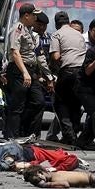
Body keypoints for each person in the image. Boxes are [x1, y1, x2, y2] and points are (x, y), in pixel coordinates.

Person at [4, 3, 54, 139]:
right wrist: (25, 72)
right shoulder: (17, 29)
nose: (35, 18)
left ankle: (28, 133)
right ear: (26, 16)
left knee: (39, 102)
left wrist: (48, 76)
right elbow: (15, 52)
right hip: (19, 71)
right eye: (34, 15)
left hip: (30, 71)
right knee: (17, 106)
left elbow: (37, 55)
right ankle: (12, 137)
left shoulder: (29, 31)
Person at [49, 11, 86, 146]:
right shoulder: (79, 35)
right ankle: (74, 131)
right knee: (75, 103)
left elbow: (56, 57)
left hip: (67, 72)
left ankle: (69, 134)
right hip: (81, 74)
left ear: (56, 24)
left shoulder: (57, 34)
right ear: (69, 22)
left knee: (60, 103)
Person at [33, 12, 59, 142]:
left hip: (50, 78)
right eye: (39, 25)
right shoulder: (30, 37)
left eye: (44, 25)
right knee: (37, 107)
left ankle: (53, 134)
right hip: (36, 77)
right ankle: (35, 134)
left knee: (59, 107)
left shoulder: (50, 38)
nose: (42, 28)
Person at [0, 141, 79, 172]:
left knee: (2, 164)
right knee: (6, 165)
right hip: (18, 151)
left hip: (18, 154)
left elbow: (36, 164)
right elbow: (73, 160)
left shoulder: (49, 163)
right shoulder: (61, 157)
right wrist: (56, 169)